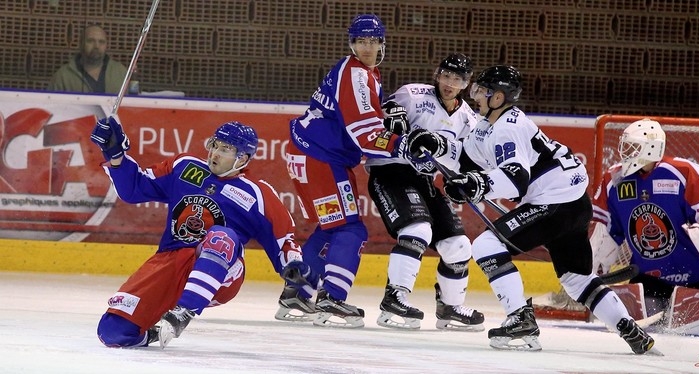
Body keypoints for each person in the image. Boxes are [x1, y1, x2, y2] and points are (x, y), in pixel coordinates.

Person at [404, 65, 656, 354]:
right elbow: (467, 158)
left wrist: (476, 184)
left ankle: (520, 319)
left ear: (498, 97)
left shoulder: (508, 128)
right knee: (577, 279)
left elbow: (515, 178)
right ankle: (631, 331)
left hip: (555, 203)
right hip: (571, 203)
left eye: (482, 91)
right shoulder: (489, 124)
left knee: (487, 245)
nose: (476, 95)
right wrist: (437, 145)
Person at [92, 116, 315, 348]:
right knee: (113, 332)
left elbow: (283, 241)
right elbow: (135, 188)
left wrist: (294, 267)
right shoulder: (184, 167)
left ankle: (184, 311)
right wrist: (116, 156)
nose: (215, 154)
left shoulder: (257, 194)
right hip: (171, 264)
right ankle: (154, 331)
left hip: (223, 274)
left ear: (242, 158)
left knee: (221, 236)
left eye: (225, 149)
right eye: (215, 145)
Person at [285, 13, 406, 328]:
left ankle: (297, 293)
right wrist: (401, 145)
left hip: (309, 154)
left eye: (373, 41)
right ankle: (332, 298)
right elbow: (364, 132)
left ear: (382, 43)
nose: (367, 47)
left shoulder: (361, 72)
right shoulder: (356, 74)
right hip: (321, 158)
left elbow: (358, 115)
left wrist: (385, 115)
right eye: (360, 41)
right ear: (352, 43)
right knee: (351, 230)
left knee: (331, 227)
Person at [366, 53, 485, 331]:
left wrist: (463, 179)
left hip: (425, 180)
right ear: (437, 75)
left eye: (457, 79)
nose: (450, 83)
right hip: (391, 172)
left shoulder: (469, 120)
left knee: (458, 246)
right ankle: (394, 298)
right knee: (418, 230)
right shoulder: (412, 94)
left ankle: (450, 308)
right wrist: (391, 119)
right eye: (446, 76)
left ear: (466, 84)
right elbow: (381, 116)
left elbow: (467, 160)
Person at [590, 118, 699, 315]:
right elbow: (604, 230)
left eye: (633, 147)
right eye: (626, 146)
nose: (626, 152)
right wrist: (592, 268)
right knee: (641, 327)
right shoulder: (614, 180)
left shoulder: (684, 172)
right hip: (650, 280)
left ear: (652, 147)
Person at [48, 25, 128, 94]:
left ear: (106, 45)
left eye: (101, 42)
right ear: (81, 43)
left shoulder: (121, 72)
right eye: (90, 41)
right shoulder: (63, 76)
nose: (96, 46)